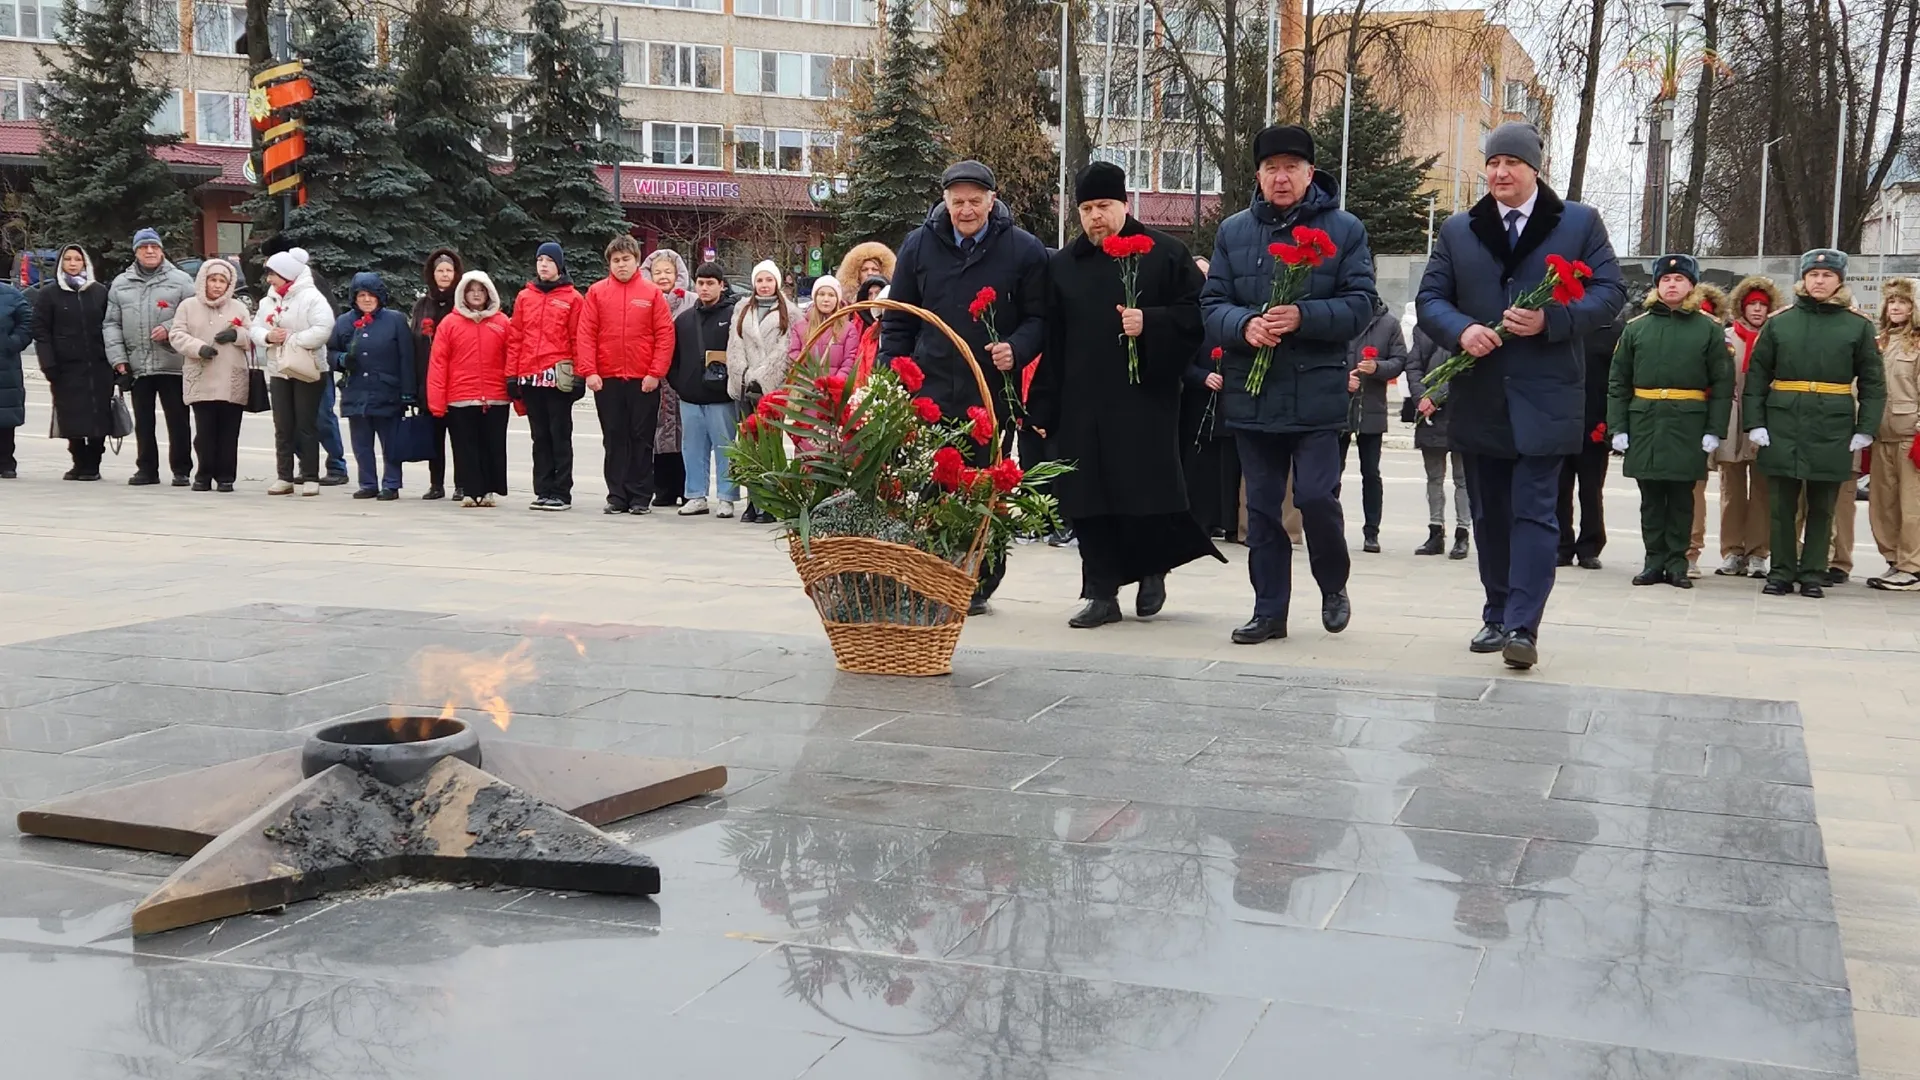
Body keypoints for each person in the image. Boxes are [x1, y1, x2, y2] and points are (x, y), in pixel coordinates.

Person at [1416, 121, 1625, 670]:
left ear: (1535, 169)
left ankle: (1523, 627)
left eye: (1512, 163)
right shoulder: (1460, 230)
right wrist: (1461, 331)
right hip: (1481, 393)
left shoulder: (1577, 223)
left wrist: (1552, 320)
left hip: (1546, 396)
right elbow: (1432, 297)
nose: (1501, 172)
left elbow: (1610, 293)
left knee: (1535, 512)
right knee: (1489, 514)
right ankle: (1496, 610)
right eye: (1493, 163)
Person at [1029, 162, 1224, 627]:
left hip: (1145, 400)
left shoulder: (1165, 253)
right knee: (1087, 498)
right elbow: (1052, 339)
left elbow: (1199, 315)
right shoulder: (1063, 266)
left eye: (1104, 206)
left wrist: (1151, 322)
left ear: (1125, 204)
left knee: (1145, 492)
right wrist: (1044, 400)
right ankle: (1101, 593)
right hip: (1083, 403)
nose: (1096, 217)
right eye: (1086, 208)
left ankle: (1152, 570)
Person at [1203, 124, 1376, 645]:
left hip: (1317, 394)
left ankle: (1333, 584)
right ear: (1258, 175)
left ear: (1309, 173)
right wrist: (1244, 326)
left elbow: (1362, 304)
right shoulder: (1234, 232)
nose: (1281, 178)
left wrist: (1303, 316)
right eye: (1271, 168)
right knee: (1260, 510)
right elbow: (1211, 305)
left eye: (1291, 168)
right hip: (1253, 395)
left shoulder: (1344, 230)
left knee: (1318, 497)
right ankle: (1269, 610)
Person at [881, 159, 1048, 613]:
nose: (967, 210)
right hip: (930, 389)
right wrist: (890, 375)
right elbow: (898, 319)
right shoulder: (918, 247)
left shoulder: (1023, 249)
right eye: (958, 202)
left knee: (984, 485)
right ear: (944, 201)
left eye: (976, 201)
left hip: (990, 391)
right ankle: (937, 575)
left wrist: (1017, 347)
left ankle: (980, 579)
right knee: (933, 486)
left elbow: (1041, 318)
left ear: (992, 201)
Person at [1744, 249, 1885, 597]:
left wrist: (1865, 427)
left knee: (1823, 504)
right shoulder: (1781, 321)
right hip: (1784, 419)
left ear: (1840, 280)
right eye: (1813, 275)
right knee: (1781, 503)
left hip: (1832, 422)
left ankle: (1812, 572)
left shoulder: (1857, 325)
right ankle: (1780, 572)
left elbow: (1872, 381)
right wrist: (1755, 423)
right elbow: (1757, 376)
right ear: (1803, 279)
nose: (1819, 281)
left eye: (1827, 275)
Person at [1606, 254, 1734, 589]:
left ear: (1691, 285)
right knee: (1650, 499)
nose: (1672, 285)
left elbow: (1722, 385)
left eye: (1679, 280)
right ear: (1657, 285)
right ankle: (1653, 561)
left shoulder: (1708, 329)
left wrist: (1714, 430)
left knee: (1681, 498)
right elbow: (1619, 381)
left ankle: (1678, 563)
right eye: (1666, 280)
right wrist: (1618, 427)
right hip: (1646, 421)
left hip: (1687, 424)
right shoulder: (1637, 329)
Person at [577, 234, 675, 516]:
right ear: (610, 263)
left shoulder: (651, 293)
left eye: (627, 259)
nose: (621, 265)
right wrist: (590, 372)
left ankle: (640, 496)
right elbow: (586, 334)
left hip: (642, 380)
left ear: (636, 261)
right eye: (616, 260)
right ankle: (617, 495)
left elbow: (664, 335)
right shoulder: (596, 292)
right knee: (614, 438)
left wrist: (655, 373)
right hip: (606, 380)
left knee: (641, 439)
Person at [104, 227, 195, 486]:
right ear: (136, 252)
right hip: (138, 364)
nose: (150, 251)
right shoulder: (121, 283)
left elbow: (193, 315)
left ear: (161, 250)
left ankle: (181, 469)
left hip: (172, 362)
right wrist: (118, 358)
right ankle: (147, 469)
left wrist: (168, 329)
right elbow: (111, 324)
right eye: (144, 247)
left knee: (178, 420)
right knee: (144, 421)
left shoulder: (180, 280)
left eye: (154, 246)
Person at [507, 242, 584, 511]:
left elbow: (578, 339)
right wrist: (512, 375)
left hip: (558, 376)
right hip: (530, 376)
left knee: (559, 435)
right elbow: (515, 337)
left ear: (559, 265)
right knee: (539, 436)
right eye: (540, 260)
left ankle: (561, 492)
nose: (543, 265)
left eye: (549, 260)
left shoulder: (573, 298)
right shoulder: (525, 297)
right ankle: (542, 489)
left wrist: (579, 376)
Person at [252, 248, 335, 496]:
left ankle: (310, 476)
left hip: (307, 368)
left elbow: (324, 328)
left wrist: (291, 339)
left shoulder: (311, 297)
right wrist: (268, 336)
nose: (269, 280)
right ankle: (284, 476)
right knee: (283, 425)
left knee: (306, 424)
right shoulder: (268, 301)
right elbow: (255, 328)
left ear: (287, 274)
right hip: (279, 370)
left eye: (273, 274)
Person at [1715, 275, 1782, 578]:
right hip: (1731, 417)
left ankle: (1758, 552)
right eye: (1752, 304)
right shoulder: (1726, 337)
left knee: (1763, 490)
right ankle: (1732, 550)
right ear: (1741, 306)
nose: (1757, 310)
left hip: (1763, 419)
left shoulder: (1777, 335)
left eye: (1762, 305)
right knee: (1731, 489)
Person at [327, 272, 415, 501]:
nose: (366, 300)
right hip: (356, 391)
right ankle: (367, 483)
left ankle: (391, 483)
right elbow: (330, 351)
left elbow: (406, 357)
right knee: (362, 443)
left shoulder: (394, 320)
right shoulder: (345, 322)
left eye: (371, 295)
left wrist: (408, 392)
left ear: (380, 297)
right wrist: (342, 359)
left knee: (390, 442)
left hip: (387, 390)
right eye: (361, 295)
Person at [727, 261, 801, 524]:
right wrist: (743, 375)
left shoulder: (790, 313)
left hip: (771, 390)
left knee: (770, 447)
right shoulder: (743, 310)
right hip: (746, 387)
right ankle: (753, 501)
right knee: (748, 446)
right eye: (760, 280)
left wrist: (762, 377)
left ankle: (771, 503)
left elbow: (786, 351)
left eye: (769, 280)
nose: (764, 285)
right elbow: (734, 346)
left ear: (777, 283)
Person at [168, 257, 251, 493]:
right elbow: (177, 334)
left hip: (231, 378)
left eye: (222, 281)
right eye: (212, 280)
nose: (216, 285)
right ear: (203, 280)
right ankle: (203, 474)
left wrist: (237, 336)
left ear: (229, 284)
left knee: (228, 432)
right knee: (204, 432)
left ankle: (226, 476)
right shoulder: (188, 306)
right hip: (201, 376)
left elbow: (253, 337)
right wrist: (198, 348)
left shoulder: (238, 308)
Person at [429, 271, 512, 508]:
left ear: (489, 293)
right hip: (461, 397)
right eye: (471, 289)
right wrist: (437, 400)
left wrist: (515, 392)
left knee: (493, 446)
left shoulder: (502, 323)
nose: (476, 294)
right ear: (463, 294)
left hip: (495, 397)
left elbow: (512, 357)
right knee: (465, 447)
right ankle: (469, 490)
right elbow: (438, 362)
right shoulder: (450, 324)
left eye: (481, 289)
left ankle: (488, 490)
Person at [33, 246, 112, 480]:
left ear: (86, 263)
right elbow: (41, 330)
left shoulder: (99, 292)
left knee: (99, 415)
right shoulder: (49, 294)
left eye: (78, 259)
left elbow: (111, 326)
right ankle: (78, 460)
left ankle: (93, 463)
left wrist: (116, 362)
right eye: (68, 259)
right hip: (65, 367)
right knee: (71, 415)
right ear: (60, 264)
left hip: (99, 366)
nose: (73, 263)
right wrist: (48, 363)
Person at [671, 261, 739, 517]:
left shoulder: (733, 316)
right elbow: (673, 358)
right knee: (693, 449)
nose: (705, 288)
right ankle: (696, 494)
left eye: (711, 283)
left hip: (722, 398)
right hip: (690, 398)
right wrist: (680, 385)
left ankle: (726, 497)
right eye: (701, 283)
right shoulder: (685, 319)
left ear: (721, 285)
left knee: (726, 448)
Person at [1556, 308, 1623, 570]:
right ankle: (1561, 546)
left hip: (1594, 423)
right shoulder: (1559, 325)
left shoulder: (1612, 331)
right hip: (1560, 421)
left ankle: (1590, 547)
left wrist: (1611, 422)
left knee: (1591, 490)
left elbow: (1618, 380)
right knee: (1559, 489)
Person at [1182, 257, 1242, 543]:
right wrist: (1202, 377)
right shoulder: (1188, 316)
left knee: (1229, 466)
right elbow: (1179, 361)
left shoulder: (1227, 312)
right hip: (1198, 404)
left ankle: (1228, 522)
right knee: (1200, 466)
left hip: (1230, 404)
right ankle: (1200, 521)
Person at [1341, 296, 1407, 553]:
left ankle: (1371, 532)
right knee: (1331, 472)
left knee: (1371, 473)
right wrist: (1341, 378)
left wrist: (1377, 367)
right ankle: (1330, 528)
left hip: (1372, 407)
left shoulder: (1389, 324)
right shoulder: (1343, 318)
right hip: (1340, 407)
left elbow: (1400, 361)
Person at [1866, 278, 1920, 590]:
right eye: (1892, 302)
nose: (1896, 307)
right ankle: (1893, 559)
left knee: (1911, 504)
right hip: (1881, 433)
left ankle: (1912, 566)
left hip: (1910, 435)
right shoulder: (1881, 342)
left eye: (1904, 302)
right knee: (1882, 504)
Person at [1402, 325, 1470, 559]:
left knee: (1463, 479)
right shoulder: (1424, 330)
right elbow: (1413, 366)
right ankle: (1435, 531)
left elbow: (1464, 368)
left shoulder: (1466, 326)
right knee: (1434, 478)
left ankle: (1463, 533)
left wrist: (1434, 396)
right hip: (1429, 415)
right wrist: (1421, 397)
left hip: (1461, 410)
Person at [410, 249, 463, 500]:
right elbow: (413, 342)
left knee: (460, 437)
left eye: (449, 271)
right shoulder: (422, 305)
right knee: (434, 436)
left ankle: (461, 483)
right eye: (440, 270)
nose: (444, 275)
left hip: (457, 382)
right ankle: (436, 483)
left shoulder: (461, 304)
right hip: (428, 380)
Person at [646, 249, 693, 509]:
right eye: (657, 272)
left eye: (668, 272)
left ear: (678, 274)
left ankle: (688, 488)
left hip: (683, 376)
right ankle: (663, 488)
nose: (663, 277)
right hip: (655, 377)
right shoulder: (646, 300)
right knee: (659, 433)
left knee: (686, 433)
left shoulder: (691, 301)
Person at [789, 276, 861, 379]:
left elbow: (849, 361)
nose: (826, 299)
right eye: (821, 294)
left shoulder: (848, 329)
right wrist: (807, 382)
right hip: (806, 390)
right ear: (815, 297)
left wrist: (834, 384)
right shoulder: (799, 327)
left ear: (837, 299)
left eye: (831, 295)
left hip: (835, 390)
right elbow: (794, 358)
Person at [0, 274, 27, 478]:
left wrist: (13, 343)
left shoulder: (10, 295)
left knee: (5, 417)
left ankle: (6, 462)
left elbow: (28, 322)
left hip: (5, 365)